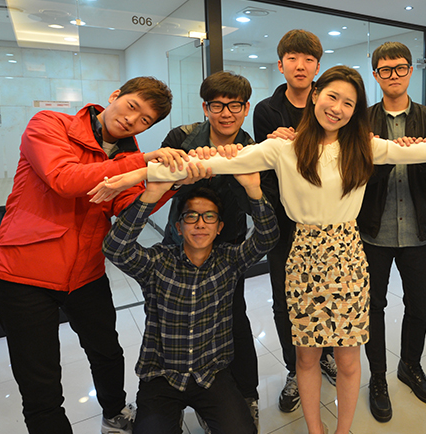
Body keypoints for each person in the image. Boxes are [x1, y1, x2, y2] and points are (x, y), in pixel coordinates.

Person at [89, 66, 426, 434]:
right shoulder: (281, 147)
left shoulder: (365, 146)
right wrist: (133, 176)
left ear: (356, 111)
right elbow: (212, 161)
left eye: (349, 103)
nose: (338, 108)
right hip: (302, 255)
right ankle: (315, 429)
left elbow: (425, 152)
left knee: (348, 356)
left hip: (348, 255)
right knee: (305, 355)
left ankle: (342, 430)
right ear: (316, 94)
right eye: (332, 97)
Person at [0, 76, 192, 434]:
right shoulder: (50, 124)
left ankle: (114, 412)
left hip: (86, 273)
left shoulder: (128, 157)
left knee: (107, 352)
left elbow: (127, 210)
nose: (132, 120)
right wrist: (141, 164)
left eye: (144, 120)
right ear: (115, 96)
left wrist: (169, 184)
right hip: (24, 274)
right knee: (41, 383)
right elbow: (65, 179)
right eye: (131, 106)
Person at [102, 170, 278, 434]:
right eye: (191, 216)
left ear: (219, 228)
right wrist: (151, 195)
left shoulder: (229, 261)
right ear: (178, 227)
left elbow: (268, 236)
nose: (200, 224)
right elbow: (115, 247)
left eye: (209, 217)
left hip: (212, 375)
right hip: (162, 377)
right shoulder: (158, 263)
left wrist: (253, 190)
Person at [160, 71, 261, 428]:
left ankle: (246, 395)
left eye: (235, 105)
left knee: (233, 320)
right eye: (217, 105)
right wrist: (182, 178)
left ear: (246, 108)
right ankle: (170, 398)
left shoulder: (252, 149)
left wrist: (233, 169)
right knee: (172, 322)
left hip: (227, 250)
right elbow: (158, 189)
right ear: (205, 108)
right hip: (180, 248)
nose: (226, 113)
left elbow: (254, 206)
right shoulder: (182, 138)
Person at [356, 41, 426, 421]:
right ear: (375, 74)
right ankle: (377, 377)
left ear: (411, 70)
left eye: (400, 68)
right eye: (385, 69)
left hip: (419, 230)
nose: (393, 75)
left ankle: (410, 365)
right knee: (372, 307)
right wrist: (391, 156)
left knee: (420, 305)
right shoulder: (361, 120)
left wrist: (418, 156)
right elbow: (355, 176)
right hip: (372, 231)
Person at [252, 28, 337, 414]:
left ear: (317, 66)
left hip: (326, 221)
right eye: (292, 58)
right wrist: (276, 145)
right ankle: (294, 368)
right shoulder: (266, 110)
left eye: (308, 60)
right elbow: (267, 170)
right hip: (284, 224)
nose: (300, 66)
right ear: (280, 64)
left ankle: (326, 355)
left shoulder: (330, 101)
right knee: (285, 300)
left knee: (328, 294)